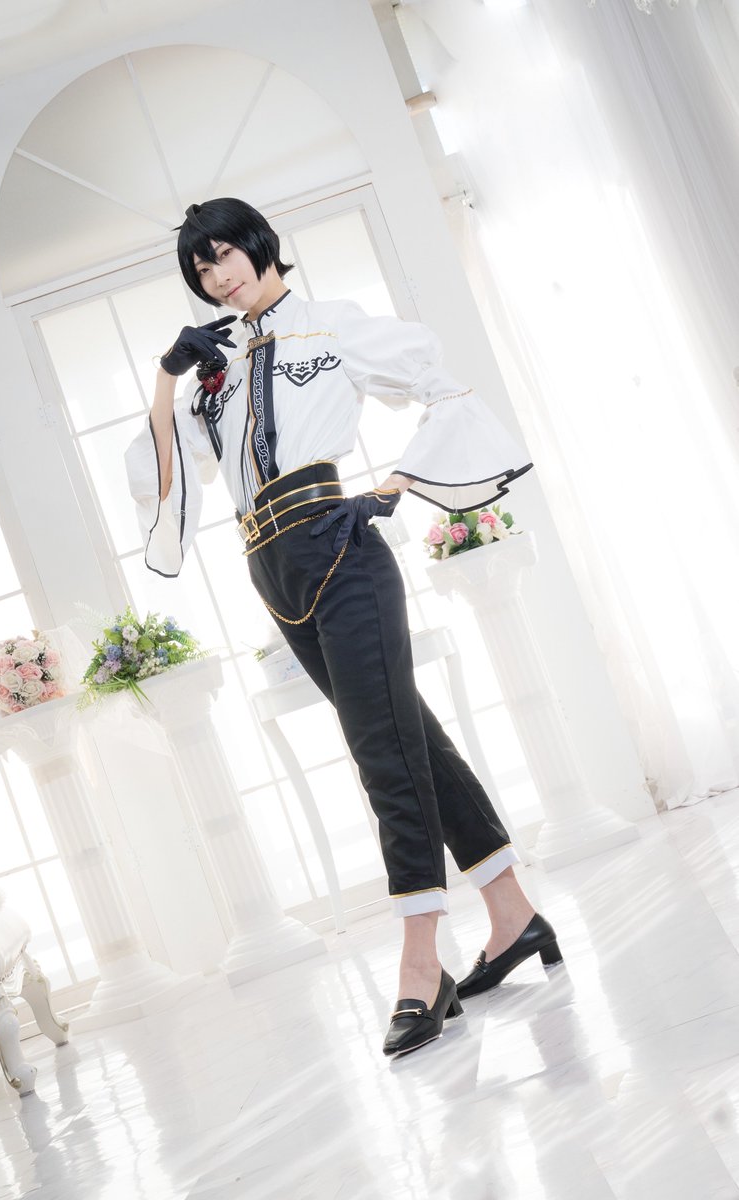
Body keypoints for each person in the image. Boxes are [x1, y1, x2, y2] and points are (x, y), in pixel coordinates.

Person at [126, 197, 562, 1057]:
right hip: (270, 568)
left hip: (341, 549)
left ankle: (420, 961)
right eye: (201, 270)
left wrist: (394, 487)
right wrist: (170, 377)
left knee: (382, 756)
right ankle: (514, 916)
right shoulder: (216, 369)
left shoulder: (331, 325)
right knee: (410, 738)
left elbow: (445, 389)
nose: (218, 277)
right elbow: (162, 475)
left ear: (260, 246)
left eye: (225, 255)